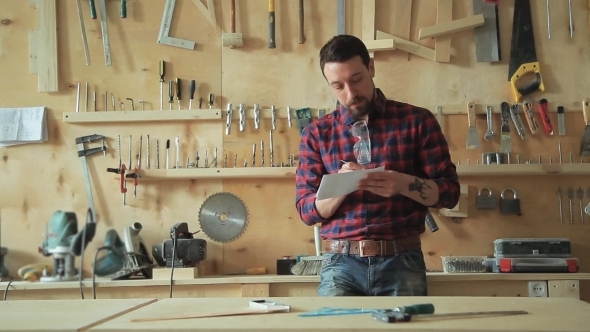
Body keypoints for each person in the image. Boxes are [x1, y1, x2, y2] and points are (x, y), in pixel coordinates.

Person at [295, 34, 461, 297]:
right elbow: (306, 211)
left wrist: (403, 183)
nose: (350, 94)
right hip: (340, 265)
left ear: (371, 67)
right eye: (338, 86)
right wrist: (339, 187)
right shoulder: (316, 134)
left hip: (402, 261)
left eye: (357, 79)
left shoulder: (417, 121)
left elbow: (450, 193)